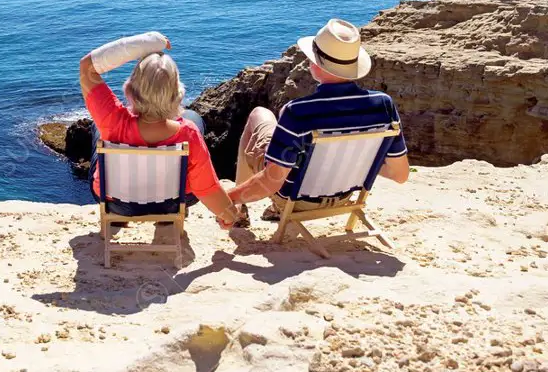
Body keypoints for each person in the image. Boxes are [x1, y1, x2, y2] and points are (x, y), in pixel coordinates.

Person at [227, 18, 410, 224]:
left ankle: (237, 210)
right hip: (344, 196)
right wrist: (358, 161)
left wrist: (226, 199)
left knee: (259, 114)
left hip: (295, 200)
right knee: (291, 135)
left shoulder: (298, 111)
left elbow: (271, 182)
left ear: (316, 63)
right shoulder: (384, 105)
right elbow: (400, 174)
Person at [79, 32, 239, 229]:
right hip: (171, 204)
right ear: (177, 95)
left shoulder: (112, 120)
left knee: (98, 127)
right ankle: (165, 218)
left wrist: (147, 42)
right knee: (193, 118)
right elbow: (207, 188)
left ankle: (117, 219)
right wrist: (228, 214)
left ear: (129, 90)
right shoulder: (188, 133)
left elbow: (87, 67)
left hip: (116, 203)